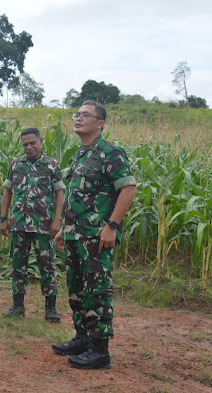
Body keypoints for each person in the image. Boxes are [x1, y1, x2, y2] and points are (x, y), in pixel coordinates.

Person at [52, 100, 137, 369]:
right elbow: (76, 195)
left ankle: (100, 350)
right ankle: (83, 338)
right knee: (76, 288)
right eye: (77, 114)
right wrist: (65, 229)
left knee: (97, 290)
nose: (78, 118)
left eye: (85, 115)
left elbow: (128, 189)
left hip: (97, 237)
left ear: (100, 123)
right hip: (76, 235)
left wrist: (112, 225)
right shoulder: (81, 153)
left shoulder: (110, 153)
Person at [0, 128, 64, 322]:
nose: (29, 147)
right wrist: (3, 218)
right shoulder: (16, 164)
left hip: (43, 226)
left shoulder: (51, 165)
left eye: (32, 143)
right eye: (25, 144)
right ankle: (18, 306)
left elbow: (60, 193)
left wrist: (57, 221)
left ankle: (50, 308)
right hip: (19, 224)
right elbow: (7, 191)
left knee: (47, 266)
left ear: (41, 141)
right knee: (18, 265)